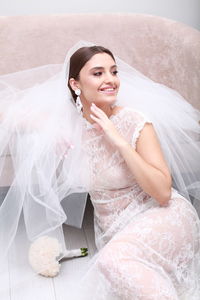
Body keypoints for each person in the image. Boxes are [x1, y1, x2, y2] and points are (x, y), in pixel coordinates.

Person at [0, 41, 200, 299]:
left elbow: (163, 193)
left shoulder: (134, 121)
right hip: (115, 231)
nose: (110, 80)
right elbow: (6, 111)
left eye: (114, 71)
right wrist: (47, 125)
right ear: (75, 84)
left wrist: (118, 139)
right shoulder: (71, 124)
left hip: (162, 215)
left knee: (112, 262)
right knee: (118, 267)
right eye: (98, 73)